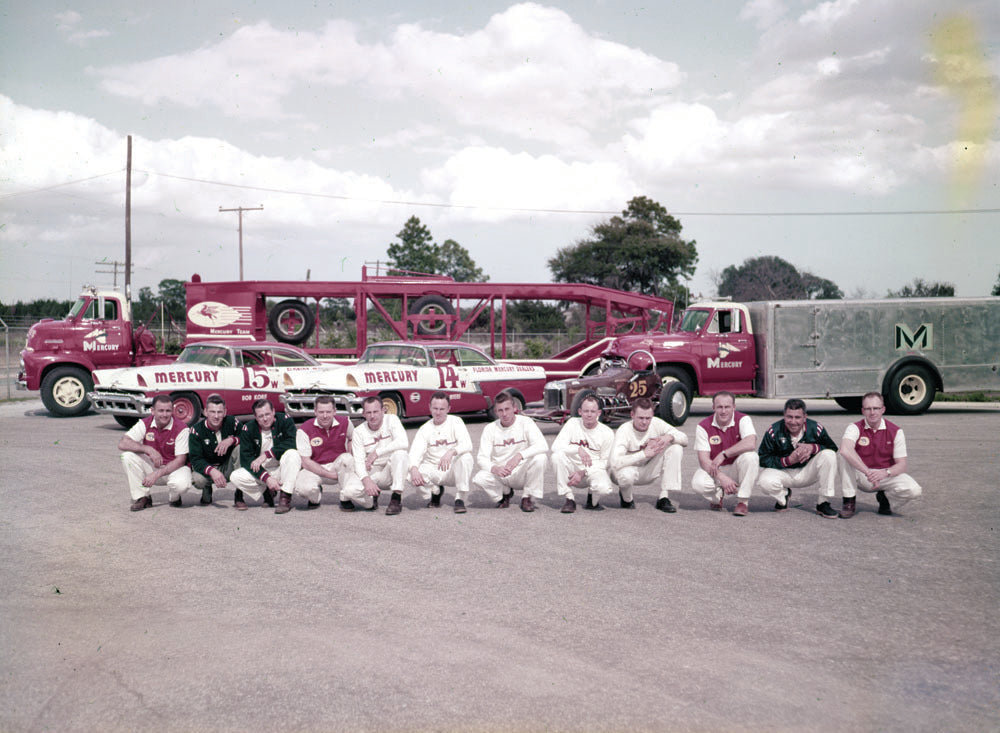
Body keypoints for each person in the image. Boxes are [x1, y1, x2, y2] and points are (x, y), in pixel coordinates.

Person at [837, 391, 922, 517]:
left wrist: (885, 473)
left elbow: (902, 465)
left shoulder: (896, 431)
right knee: (842, 455)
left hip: (884, 476)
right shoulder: (854, 427)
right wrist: (868, 472)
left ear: (883, 409)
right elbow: (845, 449)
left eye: (876, 408)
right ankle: (849, 500)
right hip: (861, 475)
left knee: (914, 490)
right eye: (868, 409)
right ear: (862, 411)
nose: (872, 412)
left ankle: (885, 498)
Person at [757, 398, 840, 518]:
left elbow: (832, 448)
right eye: (789, 417)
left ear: (805, 417)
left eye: (797, 417)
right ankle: (783, 497)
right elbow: (763, 458)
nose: (793, 421)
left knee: (829, 455)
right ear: (784, 416)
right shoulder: (774, 431)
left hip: (808, 471)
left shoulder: (816, 428)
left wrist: (813, 448)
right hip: (784, 472)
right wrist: (788, 460)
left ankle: (823, 502)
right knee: (764, 481)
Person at [472, 391, 548, 512]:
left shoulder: (526, 422)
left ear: (515, 408)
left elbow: (543, 445)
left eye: (507, 409)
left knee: (540, 458)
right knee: (479, 478)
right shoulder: (490, 429)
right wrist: (495, 468)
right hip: (501, 473)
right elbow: (481, 458)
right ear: (496, 412)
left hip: (521, 471)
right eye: (500, 410)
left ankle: (527, 497)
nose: (504, 414)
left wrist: (519, 455)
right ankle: (504, 494)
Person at [610, 397, 687, 513]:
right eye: (641, 418)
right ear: (632, 415)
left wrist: (669, 437)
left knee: (676, 447)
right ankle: (627, 498)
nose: (645, 422)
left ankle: (664, 497)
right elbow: (615, 462)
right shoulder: (624, 430)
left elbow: (685, 439)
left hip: (648, 469)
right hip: (625, 472)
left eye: (648, 418)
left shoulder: (656, 423)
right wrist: (643, 454)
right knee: (626, 476)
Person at [118, 394, 194, 511]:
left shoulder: (181, 428)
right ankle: (143, 497)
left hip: (173, 468)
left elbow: (181, 460)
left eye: (168, 411)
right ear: (152, 411)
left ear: (173, 411)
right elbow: (123, 443)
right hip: (153, 466)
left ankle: (174, 497)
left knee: (181, 485)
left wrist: (157, 474)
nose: (164, 414)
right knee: (127, 456)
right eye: (161, 411)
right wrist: (148, 449)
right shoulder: (144, 423)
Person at [405, 391, 475, 514]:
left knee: (466, 457)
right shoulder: (425, 428)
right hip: (433, 468)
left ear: (449, 409)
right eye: (435, 408)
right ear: (430, 407)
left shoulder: (456, 421)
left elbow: (467, 444)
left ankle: (460, 498)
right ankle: (435, 491)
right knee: (410, 474)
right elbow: (415, 453)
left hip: (452, 469)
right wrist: (414, 468)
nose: (438, 412)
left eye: (442, 409)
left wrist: (451, 452)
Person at [691, 391, 758, 516]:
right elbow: (704, 460)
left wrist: (724, 454)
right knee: (698, 483)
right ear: (713, 408)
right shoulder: (703, 426)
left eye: (727, 407)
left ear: (734, 407)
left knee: (751, 457)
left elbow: (751, 443)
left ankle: (743, 502)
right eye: (719, 407)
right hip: (715, 469)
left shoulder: (743, 419)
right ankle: (717, 497)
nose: (723, 411)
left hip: (737, 468)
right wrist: (722, 478)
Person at [230, 399, 301, 512]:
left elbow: (293, 442)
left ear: (273, 411)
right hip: (263, 471)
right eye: (261, 416)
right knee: (235, 476)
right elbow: (246, 459)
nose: (265, 418)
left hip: (282, 468)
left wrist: (267, 454)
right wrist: (266, 478)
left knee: (293, 454)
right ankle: (267, 491)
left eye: (267, 414)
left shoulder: (285, 420)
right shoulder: (248, 428)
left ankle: (285, 497)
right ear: (255, 417)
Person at [294, 395, 363, 512]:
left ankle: (345, 498)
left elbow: (352, 438)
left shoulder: (345, 422)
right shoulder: (304, 429)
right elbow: (305, 462)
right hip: (315, 467)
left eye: (328, 412)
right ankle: (315, 497)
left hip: (337, 465)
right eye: (321, 412)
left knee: (347, 458)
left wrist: (351, 455)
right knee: (303, 489)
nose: (325, 416)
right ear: (315, 411)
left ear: (334, 411)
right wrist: (329, 474)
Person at [550, 393, 614, 513]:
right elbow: (555, 447)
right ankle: (569, 498)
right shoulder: (572, 423)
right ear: (580, 411)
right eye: (586, 411)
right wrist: (578, 449)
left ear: (599, 413)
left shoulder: (607, 433)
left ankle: (593, 498)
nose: (589, 414)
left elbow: (605, 462)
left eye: (592, 411)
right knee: (556, 456)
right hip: (572, 469)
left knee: (604, 488)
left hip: (592, 470)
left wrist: (584, 472)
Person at [349, 396, 409, 515]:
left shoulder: (392, 419)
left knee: (401, 454)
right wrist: (366, 480)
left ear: (383, 410)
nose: (372, 416)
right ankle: (372, 497)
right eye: (368, 412)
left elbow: (403, 442)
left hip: (391, 468)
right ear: (363, 414)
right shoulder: (358, 431)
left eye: (376, 411)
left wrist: (377, 452)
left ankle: (396, 498)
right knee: (349, 492)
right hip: (373, 470)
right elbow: (359, 461)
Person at [188, 394, 239, 506]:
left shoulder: (232, 422)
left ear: (225, 412)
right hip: (208, 468)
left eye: (219, 412)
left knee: (240, 448)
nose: (216, 416)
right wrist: (212, 471)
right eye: (212, 412)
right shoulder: (196, 430)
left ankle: (239, 494)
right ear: (205, 412)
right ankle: (207, 488)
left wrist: (232, 439)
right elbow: (195, 460)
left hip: (226, 466)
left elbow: (246, 436)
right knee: (198, 480)